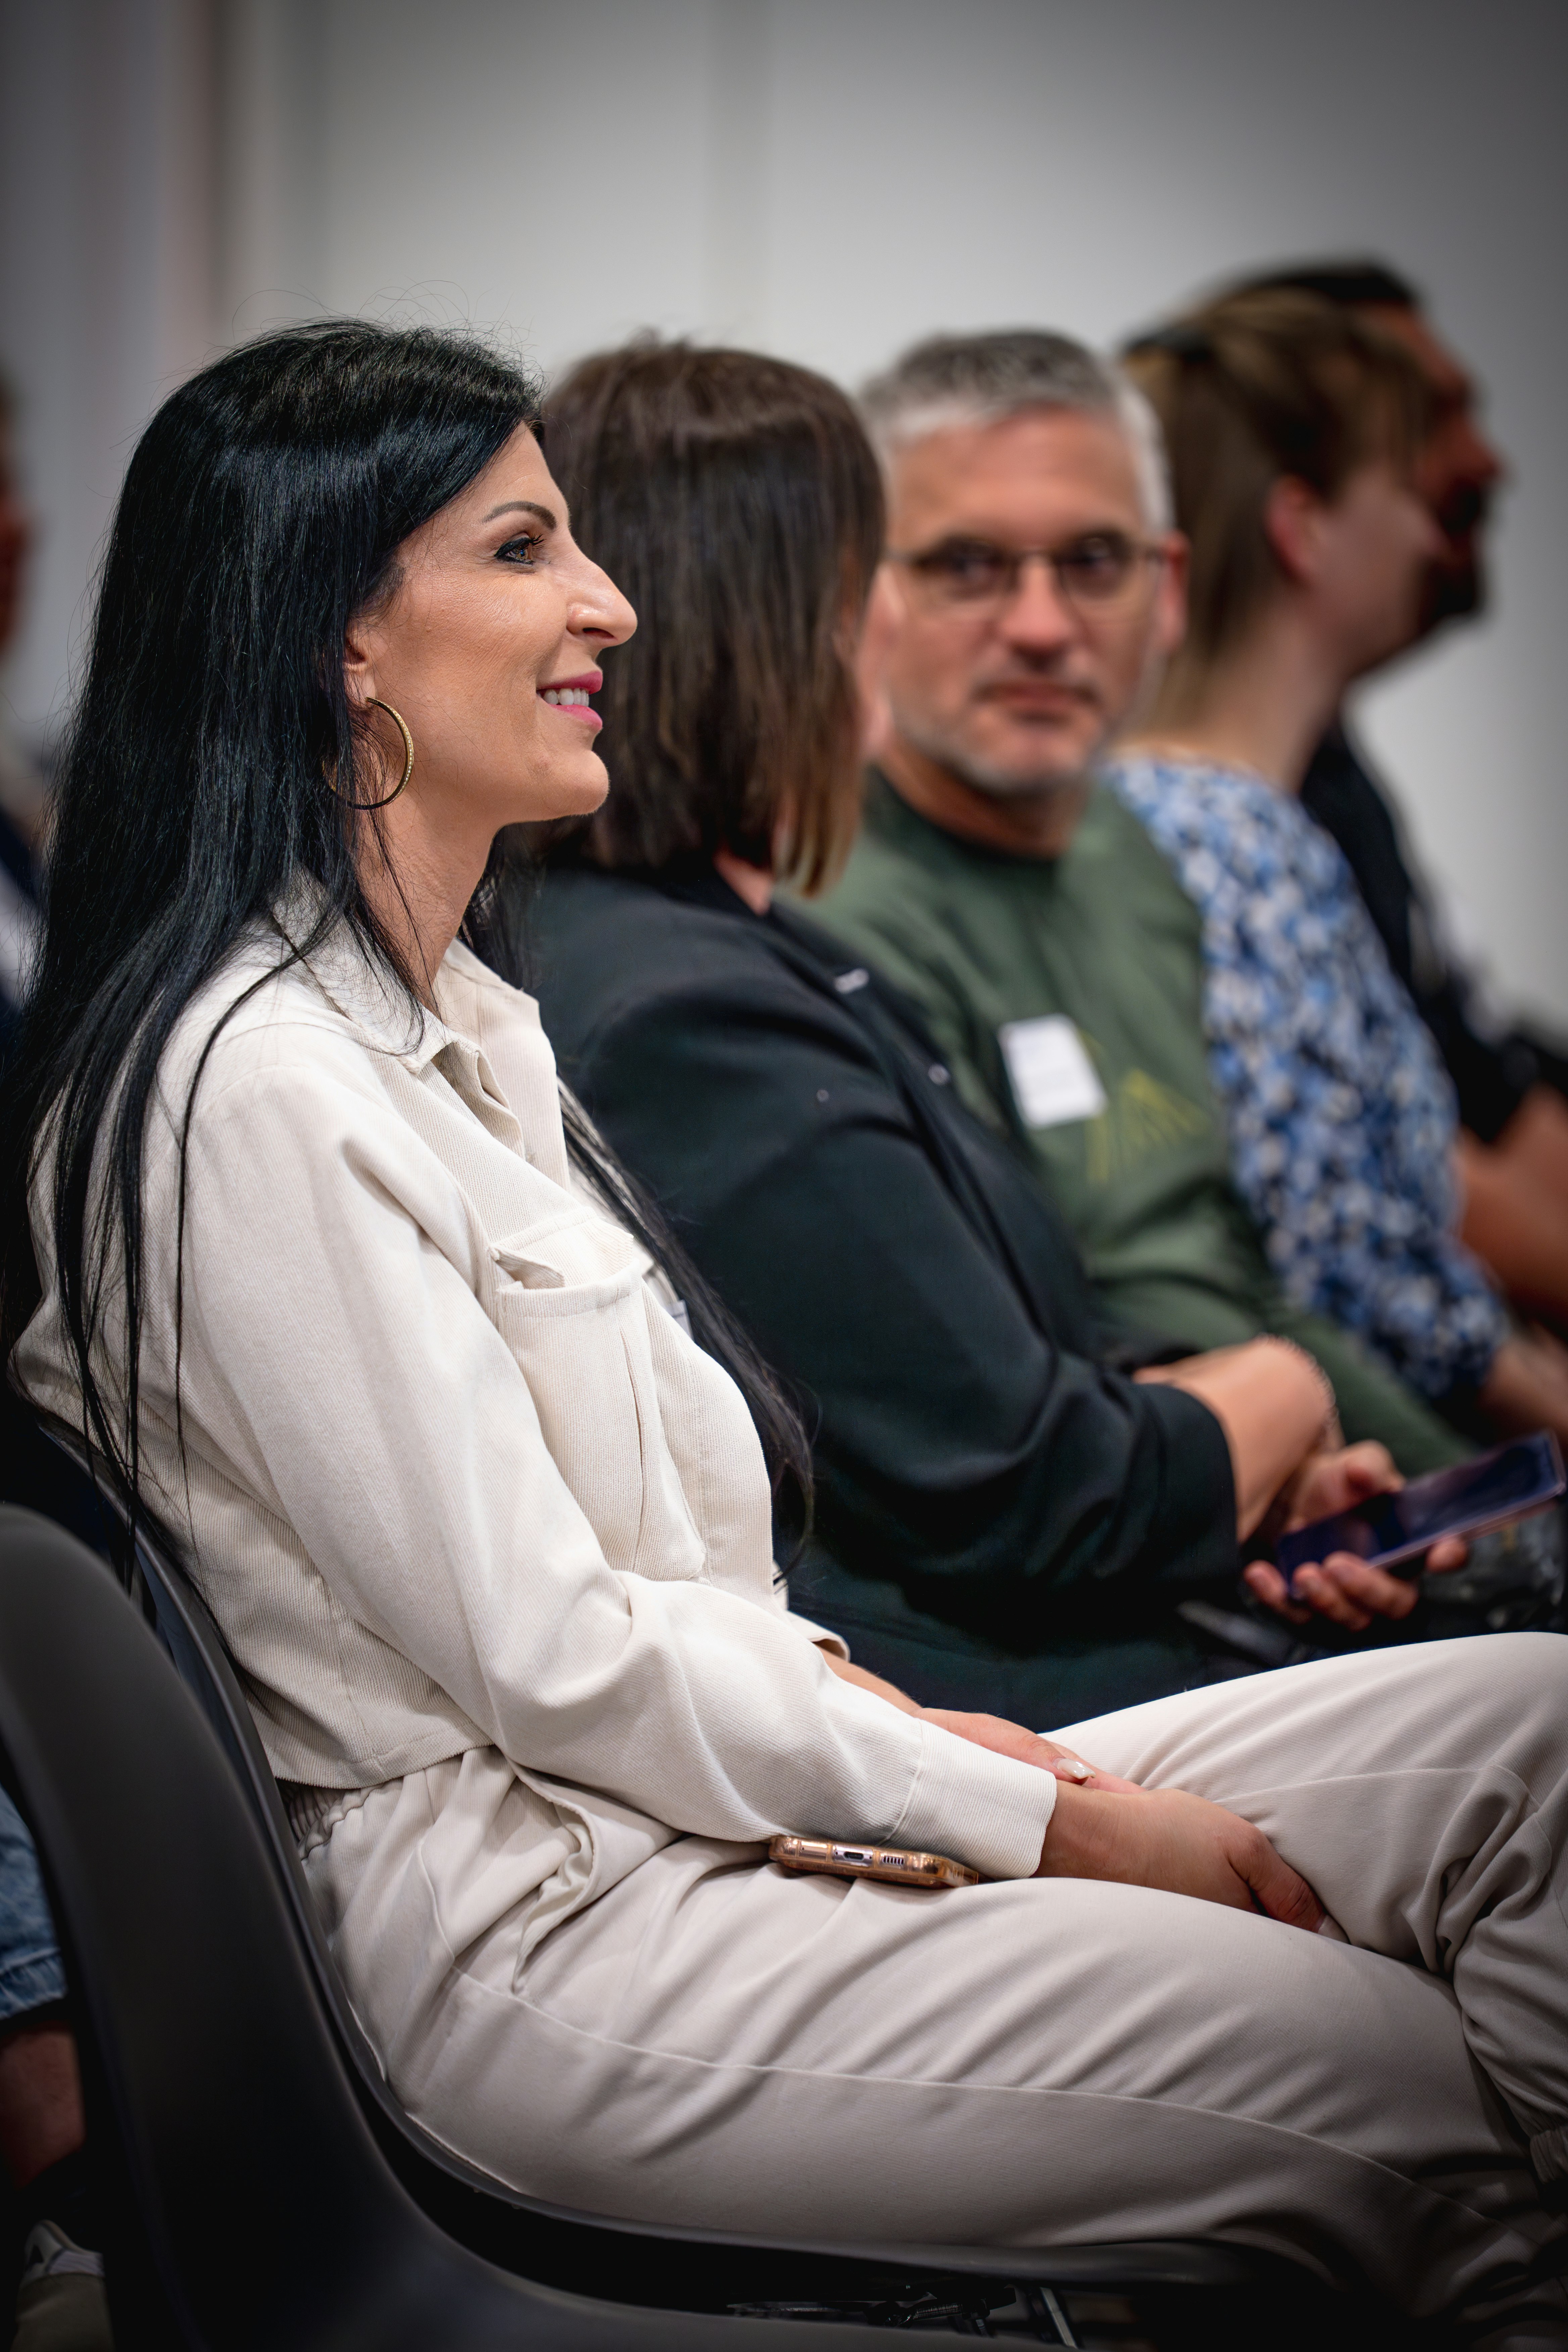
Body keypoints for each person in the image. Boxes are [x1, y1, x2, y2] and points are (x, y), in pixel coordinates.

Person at [9, 321, 1568, 2345]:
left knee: (1532, 1745)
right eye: (522, 550)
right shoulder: (253, 1088)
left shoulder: (459, 1024)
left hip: (691, 1815)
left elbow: (669, 1590)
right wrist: (1048, 1817)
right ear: (341, 643)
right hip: (552, 1932)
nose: (609, 605)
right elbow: (563, 1663)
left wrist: (904, 1740)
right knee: (1400, 2091)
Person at [531, 339, 1452, 1728]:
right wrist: (1276, 1394)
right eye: (910, 575)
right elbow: (1023, 1495)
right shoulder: (686, 1012)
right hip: (993, 1702)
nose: (1014, 627)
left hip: (1081, 1611)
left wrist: (1246, 1467)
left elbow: (993, 1347)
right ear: (794, 625)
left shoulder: (742, 939)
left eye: (1092, 564)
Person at [812, 328, 1497, 1484]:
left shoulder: (1135, 854)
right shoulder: (830, 919)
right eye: (969, 566)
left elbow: (1240, 1281)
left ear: (1168, 590)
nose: (1041, 626)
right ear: (861, 595)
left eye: (1093, 562)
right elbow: (1003, 1384)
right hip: (1123, 1509)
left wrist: (1461, 1495)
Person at [1112, 292, 1568, 1444]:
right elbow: (1346, 1257)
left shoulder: (1237, 817)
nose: (1429, 532)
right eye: (1401, 490)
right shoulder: (1235, 847)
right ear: (1302, 526)